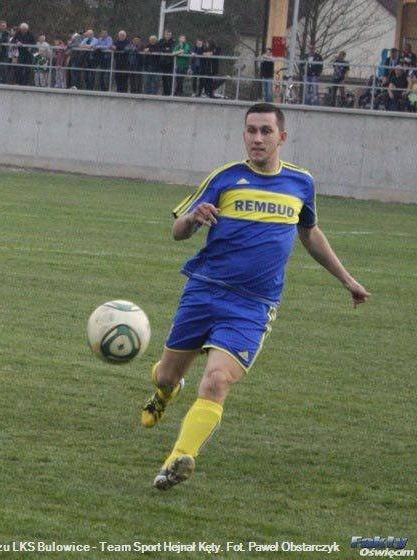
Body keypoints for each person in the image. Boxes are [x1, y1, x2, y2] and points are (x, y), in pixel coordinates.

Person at [142, 103, 370, 490]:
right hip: (204, 292)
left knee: (216, 382)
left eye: (266, 131)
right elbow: (178, 232)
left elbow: (310, 233)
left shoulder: (301, 183)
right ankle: (166, 393)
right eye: (251, 131)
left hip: (253, 306)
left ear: (281, 137)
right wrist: (194, 218)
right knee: (166, 374)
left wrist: (346, 279)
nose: (257, 138)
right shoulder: (225, 177)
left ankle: (178, 458)